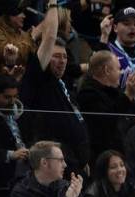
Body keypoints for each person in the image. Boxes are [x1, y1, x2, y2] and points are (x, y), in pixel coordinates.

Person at [19, 4, 91, 175]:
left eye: (65, 57)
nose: (62, 61)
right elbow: (50, 36)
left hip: (74, 162)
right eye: (56, 56)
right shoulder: (40, 76)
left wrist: (83, 159)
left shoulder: (62, 83)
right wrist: (52, 4)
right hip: (51, 163)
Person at [77, 50, 135, 171]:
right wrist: (127, 95)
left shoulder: (113, 91)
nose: (121, 72)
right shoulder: (88, 93)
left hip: (119, 155)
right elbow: (107, 120)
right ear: (107, 70)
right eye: (118, 68)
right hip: (102, 160)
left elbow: (134, 113)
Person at [0, 0, 35, 80]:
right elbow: (14, 55)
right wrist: (31, 38)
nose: (24, 16)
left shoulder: (22, 34)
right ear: (7, 13)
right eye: (19, 12)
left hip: (19, 86)